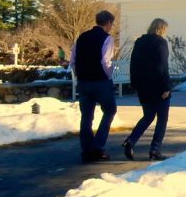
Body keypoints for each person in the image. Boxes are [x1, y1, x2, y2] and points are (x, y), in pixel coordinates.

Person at [71, 10, 118, 163]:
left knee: (86, 116)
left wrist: (79, 74)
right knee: (110, 110)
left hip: (84, 81)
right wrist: (109, 75)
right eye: (111, 24)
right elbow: (105, 61)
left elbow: (73, 60)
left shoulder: (82, 37)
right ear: (109, 23)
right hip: (100, 81)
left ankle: (86, 147)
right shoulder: (107, 38)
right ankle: (97, 146)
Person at [124, 18, 172, 161]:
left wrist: (135, 83)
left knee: (148, 116)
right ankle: (155, 149)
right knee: (162, 119)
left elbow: (133, 64)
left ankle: (131, 140)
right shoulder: (161, 43)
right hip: (158, 87)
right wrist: (166, 87)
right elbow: (162, 66)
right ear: (162, 29)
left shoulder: (139, 42)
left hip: (143, 87)